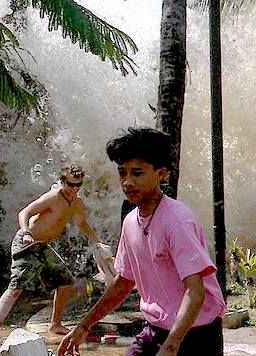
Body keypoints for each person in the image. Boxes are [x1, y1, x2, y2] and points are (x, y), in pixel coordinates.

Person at [58, 127, 226, 356]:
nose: (127, 182)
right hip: (154, 330)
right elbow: (123, 282)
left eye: (137, 173)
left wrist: (172, 344)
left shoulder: (177, 221)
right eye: (122, 173)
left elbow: (195, 291)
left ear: (161, 174)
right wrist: (83, 326)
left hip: (196, 334)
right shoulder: (130, 222)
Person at [0, 163, 102, 348]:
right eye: (71, 184)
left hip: (43, 247)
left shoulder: (77, 202)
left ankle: (55, 324)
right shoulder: (53, 197)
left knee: (66, 283)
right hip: (27, 244)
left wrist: (97, 241)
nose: (74, 189)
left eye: (78, 184)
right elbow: (25, 212)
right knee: (16, 288)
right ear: (63, 181)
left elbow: (81, 223)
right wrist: (25, 232)